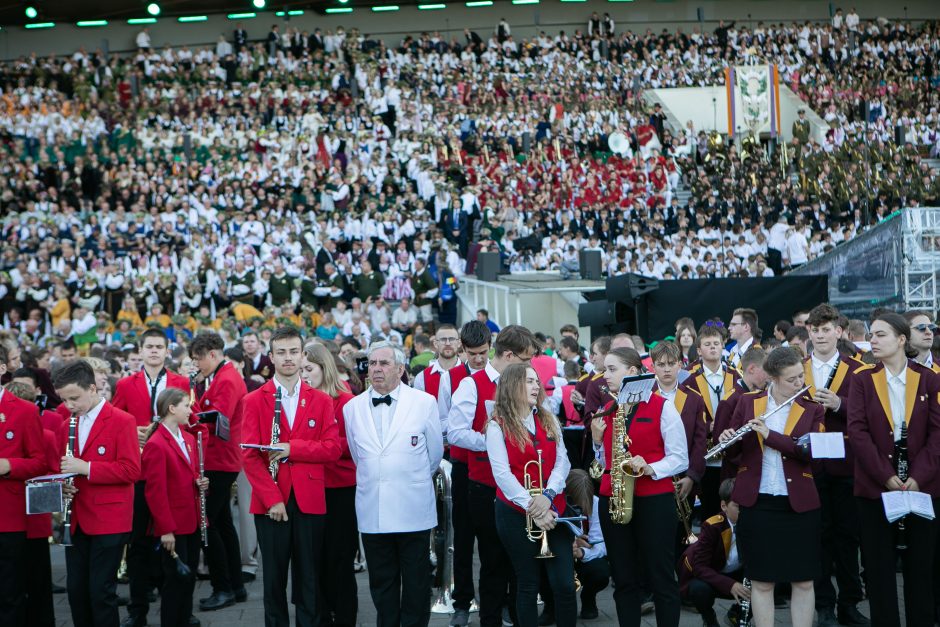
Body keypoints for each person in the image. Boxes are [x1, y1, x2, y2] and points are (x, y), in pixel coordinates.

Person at [241, 327, 341, 627]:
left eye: (293, 352)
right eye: (281, 352)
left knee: (309, 577)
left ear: (302, 355)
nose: (288, 358)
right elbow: (249, 456)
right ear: (271, 357)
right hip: (271, 502)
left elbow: (333, 449)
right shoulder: (254, 399)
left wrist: (291, 448)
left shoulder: (322, 400)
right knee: (272, 580)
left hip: (309, 501)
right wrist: (272, 499)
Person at [718, 346, 825, 627]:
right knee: (762, 582)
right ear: (773, 378)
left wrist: (770, 436)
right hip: (758, 502)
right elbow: (735, 454)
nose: (799, 383)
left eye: (801, 376)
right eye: (792, 379)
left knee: (803, 581)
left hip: (799, 504)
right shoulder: (748, 402)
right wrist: (730, 438)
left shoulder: (812, 408)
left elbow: (809, 451)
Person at [847, 312, 940, 627]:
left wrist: (918, 477)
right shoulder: (862, 380)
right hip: (875, 490)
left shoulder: (929, 379)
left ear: (902, 339)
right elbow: (857, 433)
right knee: (879, 571)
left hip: (921, 489)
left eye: (881, 334)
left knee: (921, 571)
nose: (873, 340)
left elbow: (937, 434)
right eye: (872, 334)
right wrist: (885, 476)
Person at [343, 341, 444, 627]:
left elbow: (434, 453)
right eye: (372, 363)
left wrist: (407, 476)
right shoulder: (352, 408)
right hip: (372, 508)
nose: (376, 369)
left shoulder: (424, 403)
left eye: (384, 363)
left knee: (416, 582)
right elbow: (357, 454)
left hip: (413, 508)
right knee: (381, 583)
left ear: (400, 369)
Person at [448, 325, 539, 627]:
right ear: (509, 355)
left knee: (520, 560)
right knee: (492, 560)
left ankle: (516, 614)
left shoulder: (523, 383)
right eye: (525, 360)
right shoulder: (471, 385)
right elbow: (456, 433)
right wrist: (493, 441)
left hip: (521, 484)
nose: (529, 367)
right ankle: (490, 618)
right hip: (485, 484)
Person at [590, 347, 688, 627]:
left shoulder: (662, 406)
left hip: (654, 500)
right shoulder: (608, 408)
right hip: (614, 499)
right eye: (604, 369)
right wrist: (597, 442)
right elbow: (601, 463)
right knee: (623, 579)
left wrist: (651, 468)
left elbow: (680, 457)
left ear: (632, 372)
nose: (604, 375)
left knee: (661, 577)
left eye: (611, 369)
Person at [111, 329, 190, 627]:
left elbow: (191, 422)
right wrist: (133, 432)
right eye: (150, 347)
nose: (155, 351)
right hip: (139, 470)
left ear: (167, 351)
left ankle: (181, 608)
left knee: (177, 541)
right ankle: (138, 610)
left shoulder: (181, 383)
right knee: (140, 545)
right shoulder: (126, 383)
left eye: (160, 347)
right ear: (141, 351)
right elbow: (115, 421)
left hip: (174, 472)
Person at [54, 359, 141, 627]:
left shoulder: (122, 420)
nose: (69, 406)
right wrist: (63, 483)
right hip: (77, 519)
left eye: (74, 398)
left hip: (109, 519)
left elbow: (131, 471)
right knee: (77, 592)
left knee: (100, 592)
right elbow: (63, 466)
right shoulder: (65, 423)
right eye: (64, 400)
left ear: (93, 388)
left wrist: (87, 468)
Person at [487, 364, 574, 627]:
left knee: (565, 584)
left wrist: (547, 496)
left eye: (537, 382)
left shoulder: (549, 418)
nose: (537, 386)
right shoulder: (496, 425)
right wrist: (534, 507)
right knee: (527, 584)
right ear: (513, 385)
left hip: (553, 508)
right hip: (514, 513)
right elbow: (501, 474)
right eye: (529, 382)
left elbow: (564, 462)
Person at [803, 305, 868, 626]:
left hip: (845, 465)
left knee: (848, 538)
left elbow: (868, 413)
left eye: (826, 329)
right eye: (814, 330)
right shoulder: (798, 368)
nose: (819, 335)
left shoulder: (856, 369)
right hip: (810, 465)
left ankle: (850, 602)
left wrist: (839, 405)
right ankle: (824, 605)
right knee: (818, 538)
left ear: (839, 332)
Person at [436, 320, 492, 627]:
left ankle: (493, 599)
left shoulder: (498, 375)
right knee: (463, 533)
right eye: (472, 353)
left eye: (483, 352)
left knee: (490, 537)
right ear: (462, 348)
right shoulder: (451, 377)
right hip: (462, 464)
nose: (479, 359)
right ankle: (461, 600)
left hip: (492, 466)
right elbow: (446, 425)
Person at [188, 332, 248, 611]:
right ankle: (234, 585)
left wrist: (188, 408)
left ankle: (223, 587)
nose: (197, 365)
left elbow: (214, 422)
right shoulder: (224, 376)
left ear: (212, 354)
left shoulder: (225, 380)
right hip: (222, 460)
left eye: (198, 359)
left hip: (218, 460)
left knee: (208, 524)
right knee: (223, 523)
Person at [301, 342, 358, 627]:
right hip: (310, 487)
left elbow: (356, 444)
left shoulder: (345, 401)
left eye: (309, 369)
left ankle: (345, 616)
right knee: (314, 558)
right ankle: (321, 614)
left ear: (325, 368)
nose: (304, 376)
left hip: (340, 488)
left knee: (340, 558)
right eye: (301, 371)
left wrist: (324, 446)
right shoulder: (300, 400)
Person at [141, 388, 208, 627]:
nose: (191, 411)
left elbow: (187, 475)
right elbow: (155, 492)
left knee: (187, 577)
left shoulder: (188, 438)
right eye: (186, 406)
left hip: (191, 518)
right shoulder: (157, 444)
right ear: (172, 408)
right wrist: (165, 529)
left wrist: (199, 481)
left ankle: (184, 618)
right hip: (174, 524)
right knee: (174, 580)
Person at [0, 346, 46, 627]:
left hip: (8, 517)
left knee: (9, 591)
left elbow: (40, 462)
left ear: (3, 368)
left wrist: (9, 466)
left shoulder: (25, 411)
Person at [682, 324, 737, 520]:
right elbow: (686, 420)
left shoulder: (735, 376)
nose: (713, 347)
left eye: (716, 343)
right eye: (707, 344)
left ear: (723, 346)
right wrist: (708, 427)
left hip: (731, 454)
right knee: (709, 512)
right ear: (699, 350)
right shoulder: (689, 379)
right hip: (705, 456)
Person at [677, 479, 748, 627]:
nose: (743, 510)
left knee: (769, 582)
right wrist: (730, 585)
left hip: (737, 573)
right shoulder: (712, 526)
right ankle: (709, 619)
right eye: (737, 506)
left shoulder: (752, 525)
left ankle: (737, 615)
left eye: (746, 505)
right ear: (724, 506)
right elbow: (699, 568)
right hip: (713, 575)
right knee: (699, 590)